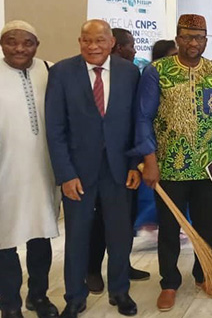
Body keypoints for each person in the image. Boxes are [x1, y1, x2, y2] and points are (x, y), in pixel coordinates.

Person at [136, 14, 212, 311]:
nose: (193, 43)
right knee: (169, 229)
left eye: (198, 37)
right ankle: (169, 283)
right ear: (177, 39)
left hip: (210, 166)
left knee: (207, 227)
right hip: (169, 165)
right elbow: (143, 117)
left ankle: (203, 275)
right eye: (187, 37)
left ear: (206, 41)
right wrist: (150, 159)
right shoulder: (157, 72)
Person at [46, 19, 141, 318]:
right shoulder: (62, 72)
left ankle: (120, 291)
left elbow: (136, 123)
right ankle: (75, 297)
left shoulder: (129, 72)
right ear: (79, 42)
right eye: (87, 40)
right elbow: (55, 128)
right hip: (78, 173)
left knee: (120, 236)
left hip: (119, 170)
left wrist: (135, 164)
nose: (93, 46)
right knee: (77, 237)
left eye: (100, 40)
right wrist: (65, 174)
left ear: (111, 43)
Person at [0, 21, 60, 318]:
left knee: (41, 234)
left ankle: (39, 296)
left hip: (43, 170)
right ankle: (9, 304)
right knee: (4, 239)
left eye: (27, 42)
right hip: (5, 173)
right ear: (2, 44)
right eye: (11, 41)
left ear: (37, 44)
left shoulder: (50, 71)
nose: (19, 48)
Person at [87, 28, 149, 294]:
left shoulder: (130, 73)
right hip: (95, 163)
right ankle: (92, 269)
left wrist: (137, 160)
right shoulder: (83, 73)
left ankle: (122, 265)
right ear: (117, 47)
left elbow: (137, 117)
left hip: (125, 161)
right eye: (130, 45)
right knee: (98, 220)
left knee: (124, 220)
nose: (134, 50)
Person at [133, 39, 178, 233]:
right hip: (155, 143)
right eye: (173, 55)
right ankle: (149, 222)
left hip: (175, 145)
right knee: (152, 187)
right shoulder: (152, 76)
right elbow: (144, 115)